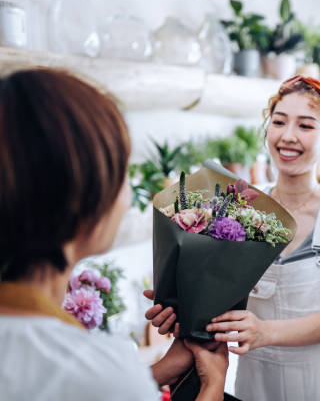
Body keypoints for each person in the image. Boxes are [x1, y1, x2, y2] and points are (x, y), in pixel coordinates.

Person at [0, 68, 228, 401]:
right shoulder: (93, 370)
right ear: (84, 198)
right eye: (123, 172)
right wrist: (213, 386)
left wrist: (161, 369)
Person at [145, 75, 320, 401]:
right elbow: (218, 294)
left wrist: (263, 331)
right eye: (279, 122)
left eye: (306, 126)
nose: (288, 136)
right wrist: (180, 306)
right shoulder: (239, 204)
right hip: (255, 387)